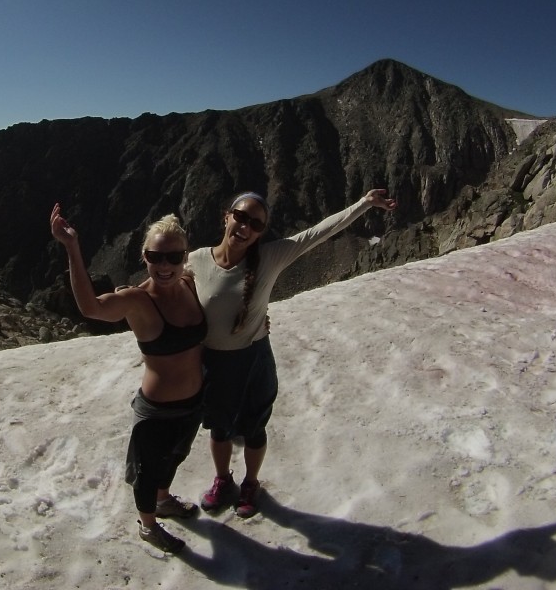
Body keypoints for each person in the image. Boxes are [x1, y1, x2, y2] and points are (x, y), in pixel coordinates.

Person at [188, 188, 397, 518]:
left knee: (253, 428)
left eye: (255, 224)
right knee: (218, 427)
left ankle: (250, 483)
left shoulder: (271, 257)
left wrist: (364, 204)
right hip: (213, 362)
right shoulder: (197, 260)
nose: (245, 227)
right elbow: (169, 296)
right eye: (240, 217)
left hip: (253, 358)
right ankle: (222, 479)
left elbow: (318, 233)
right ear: (226, 216)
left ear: (261, 232)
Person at [49, 204, 207, 554]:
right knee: (148, 471)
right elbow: (91, 308)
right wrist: (72, 247)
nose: (164, 266)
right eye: (155, 256)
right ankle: (148, 526)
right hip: (158, 411)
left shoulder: (192, 284)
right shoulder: (136, 300)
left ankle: (164, 501)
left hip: (193, 404)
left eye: (173, 257)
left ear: (185, 257)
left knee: (176, 457)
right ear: (144, 257)